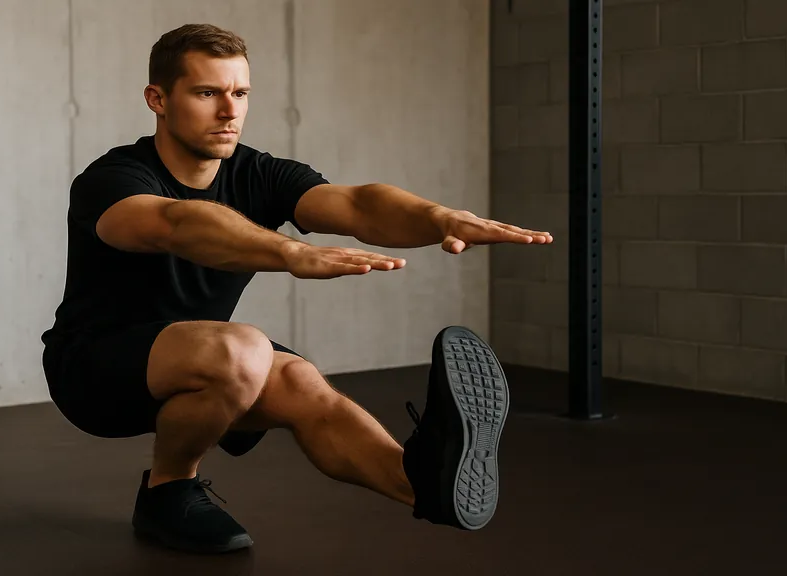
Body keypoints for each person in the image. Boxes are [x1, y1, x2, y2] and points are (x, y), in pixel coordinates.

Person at [40, 23, 553, 554]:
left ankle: (424, 481)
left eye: (240, 94)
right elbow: (177, 224)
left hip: (205, 360)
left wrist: (438, 217)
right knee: (241, 349)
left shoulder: (259, 173)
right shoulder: (113, 179)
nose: (229, 111)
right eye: (207, 93)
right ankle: (169, 489)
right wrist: (290, 251)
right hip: (92, 373)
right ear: (158, 99)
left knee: (302, 384)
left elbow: (356, 206)